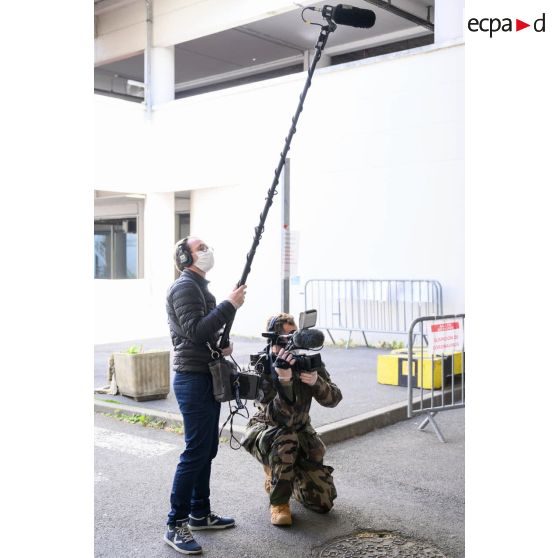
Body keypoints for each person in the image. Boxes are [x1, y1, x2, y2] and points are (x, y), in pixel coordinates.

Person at [164, 236, 247, 555]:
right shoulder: (184, 287)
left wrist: (220, 345)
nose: (207, 250)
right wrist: (230, 304)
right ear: (185, 257)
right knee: (195, 451)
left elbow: (203, 335)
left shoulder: (199, 287)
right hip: (192, 379)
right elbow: (195, 330)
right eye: (200, 247)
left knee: (206, 448)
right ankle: (175, 523)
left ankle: (200, 513)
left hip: (204, 375)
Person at [241, 313, 342, 526]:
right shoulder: (264, 365)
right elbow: (279, 418)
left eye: (295, 335)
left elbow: (334, 399)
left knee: (323, 503)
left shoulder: (306, 362)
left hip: (300, 429)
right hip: (267, 431)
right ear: (274, 339)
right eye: (288, 336)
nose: (293, 341)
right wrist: (284, 381)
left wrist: (317, 382)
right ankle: (278, 503)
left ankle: (286, 477)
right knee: (286, 438)